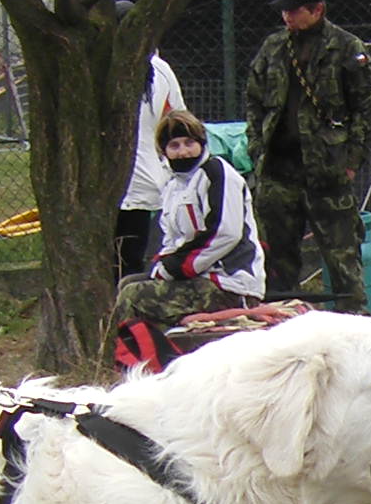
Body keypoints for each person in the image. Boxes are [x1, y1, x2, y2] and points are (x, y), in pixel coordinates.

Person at [239, 0, 371, 305]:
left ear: (317, 10)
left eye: (295, 9)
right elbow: (254, 100)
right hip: (277, 171)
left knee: (342, 256)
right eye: (284, 9)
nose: (287, 15)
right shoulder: (273, 47)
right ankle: (281, 324)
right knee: (277, 259)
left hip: (327, 170)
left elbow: (368, 107)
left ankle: (354, 324)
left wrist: (351, 160)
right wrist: (257, 148)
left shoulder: (346, 48)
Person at [107, 108, 265, 373]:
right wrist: (162, 267)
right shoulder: (173, 185)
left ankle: (132, 368)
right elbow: (172, 238)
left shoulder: (218, 174)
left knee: (134, 296)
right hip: (195, 278)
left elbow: (224, 233)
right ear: (164, 151)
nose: (182, 151)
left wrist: (175, 268)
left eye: (189, 143)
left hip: (228, 281)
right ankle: (151, 360)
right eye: (174, 145)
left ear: (201, 143)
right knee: (129, 282)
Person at [112, 50, 188, 281]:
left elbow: (177, 121)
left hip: (136, 182)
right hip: (140, 182)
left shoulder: (159, 70)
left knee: (127, 258)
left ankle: (123, 310)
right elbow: (178, 119)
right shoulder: (160, 68)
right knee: (130, 258)